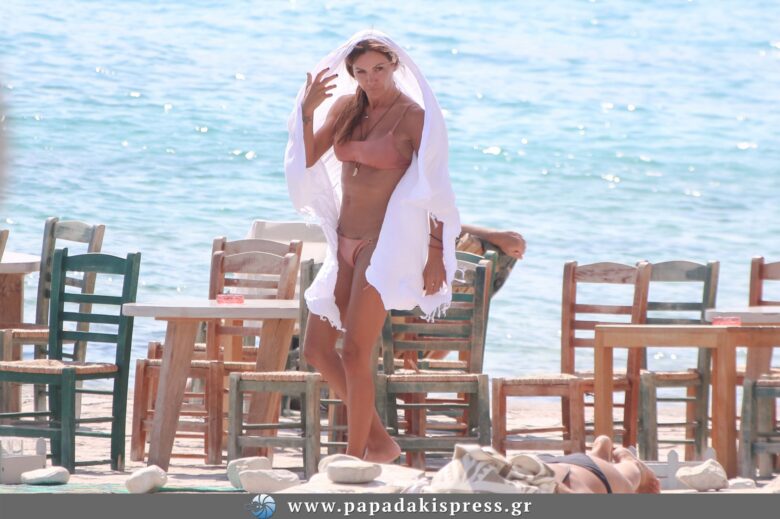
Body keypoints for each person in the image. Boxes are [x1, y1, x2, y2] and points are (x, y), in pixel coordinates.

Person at [285, 31, 461, 463]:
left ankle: (356, 457)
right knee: (316, 349)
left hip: (384, 246)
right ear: (352, 74)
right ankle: (380, 442)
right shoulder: (346, 109)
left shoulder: (414, 118)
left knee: (355, 352)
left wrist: (435, 253)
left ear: (395, 65)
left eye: (379, 69)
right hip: (343, 240)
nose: (371, 79)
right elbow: (306, 158)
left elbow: (437, 188)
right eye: (361, 72)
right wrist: (306, 113)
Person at [542, 435, 661, 494]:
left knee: (626, 482)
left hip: (573, 477)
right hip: (547, 466)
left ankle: (631, 464)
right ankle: (598, 453)